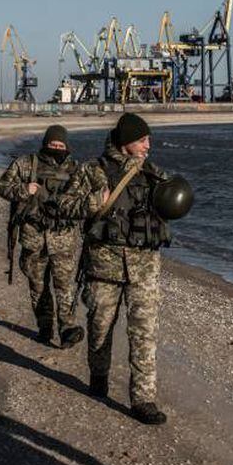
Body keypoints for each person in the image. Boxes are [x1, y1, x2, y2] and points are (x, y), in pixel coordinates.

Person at [80, 113, 174, 425]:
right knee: (99, 327)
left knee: (144, 333)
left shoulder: (154, 174)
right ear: (126, 142)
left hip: (144, 268)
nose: (149, 145)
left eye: (149, 139)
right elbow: (66, 205)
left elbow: (171, 206)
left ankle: (143, 399)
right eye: (142, 139)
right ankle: (99, 374)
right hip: (103, 265)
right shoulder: (93, 171)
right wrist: (96, 201)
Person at [0, 124, 98, 349]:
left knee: (65, 286)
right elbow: (2, 186)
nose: (57, 148)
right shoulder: (26, 164)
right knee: (38, 287)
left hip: (64, 239)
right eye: (52, 144)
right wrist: (25, 190)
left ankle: (68, 329)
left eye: (61, 145)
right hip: (34, 238)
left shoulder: (76, 170)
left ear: (67, 146)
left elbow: (89, 201)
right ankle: (45, 326)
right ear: (45, 144)